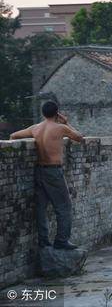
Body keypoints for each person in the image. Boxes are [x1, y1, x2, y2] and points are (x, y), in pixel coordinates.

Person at [10, 101, 85, 249]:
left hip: (39, 170)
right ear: (57, 113)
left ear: (43, 113)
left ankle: (44, 242)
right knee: (64, 207)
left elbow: (13, 136)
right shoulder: (61, 128)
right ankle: (61, 241)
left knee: (41, 208)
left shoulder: (35, 128)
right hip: (53, 171)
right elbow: (79, 138)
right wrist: (67, 123)